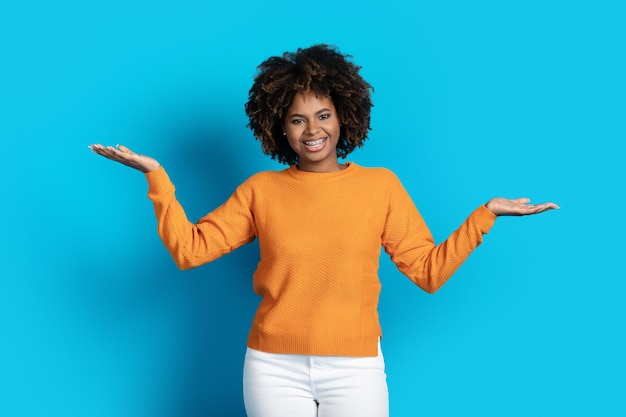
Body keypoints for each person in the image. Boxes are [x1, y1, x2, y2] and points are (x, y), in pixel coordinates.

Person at [89, 44, 558, 417]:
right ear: (280, 128)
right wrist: (157, 178)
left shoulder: (381, 186)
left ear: (344, 116)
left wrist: (485, 216)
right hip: (273, 368)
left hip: (356, 369)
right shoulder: (261, 191)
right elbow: (189, 251)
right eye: (297, 119)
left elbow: (427, 272)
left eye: (323, 115)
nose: (312, 130)